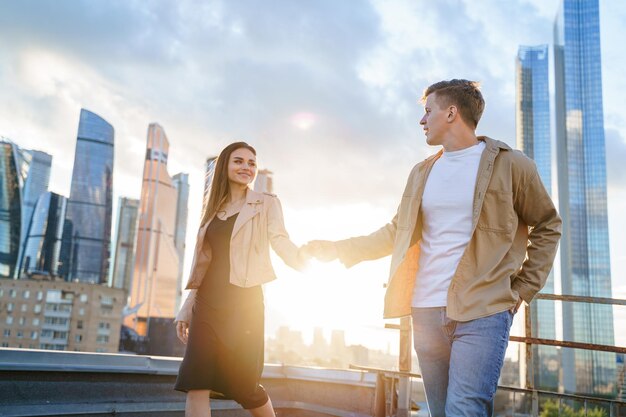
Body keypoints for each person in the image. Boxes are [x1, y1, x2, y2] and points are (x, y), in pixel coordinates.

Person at [304, 79, 561, 416]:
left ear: (451, 112)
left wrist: (523, 289)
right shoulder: (422, 172)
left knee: (464, 409)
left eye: (428, 111)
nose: (421, 120)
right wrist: (338, 248)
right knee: (440, 411)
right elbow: (396, 232)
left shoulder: (511, 164)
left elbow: (548, 225)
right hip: (425, 311)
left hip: (484, 310)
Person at [174, 141, 307, 417]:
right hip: (207, 303)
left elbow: (280, 240)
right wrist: (188, 306)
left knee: (246, 386)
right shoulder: (212, 209)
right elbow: (203, 264)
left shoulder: (267, 204)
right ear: (225, 165)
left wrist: (306, 261)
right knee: (196, 383)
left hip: (244, 305)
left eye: (251, 163)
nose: (246, 167)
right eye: (239, 161)